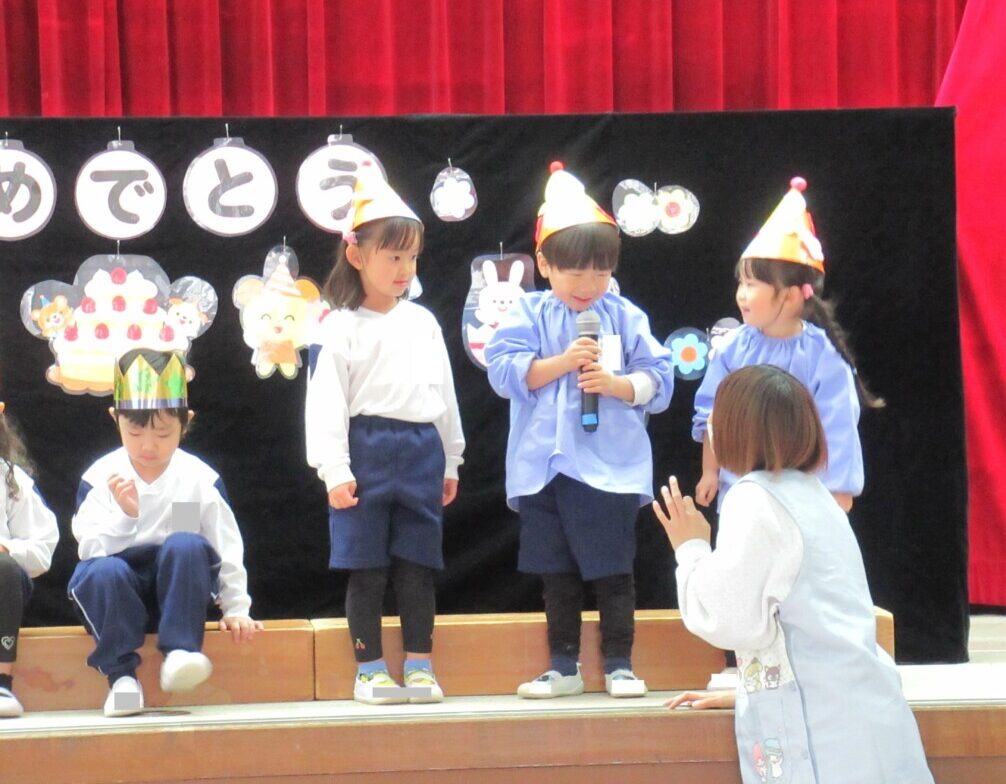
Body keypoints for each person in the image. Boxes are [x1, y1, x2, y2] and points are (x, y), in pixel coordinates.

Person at [654, 364, 933, 783]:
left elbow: (730, 619)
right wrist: (754, 692)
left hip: (830, 735)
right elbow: (812, 623)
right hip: (862, 715)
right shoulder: (814, 493)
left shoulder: (753, 497)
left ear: (737, 428)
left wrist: (690, 547)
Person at [486, 162, 674, 698]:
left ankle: (620, 666)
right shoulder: (527, 313)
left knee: (614, 570)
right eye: (575, 273)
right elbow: (503, 371)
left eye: (600, 272)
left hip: (608, 468)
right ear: (544, 264)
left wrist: (618, 385)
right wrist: (562, 362)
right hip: (544, 469)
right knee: (556, 573)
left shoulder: (625, 315)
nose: (589, 286)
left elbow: (660, 377)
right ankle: (563, 667)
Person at [306, 173, 464, 705]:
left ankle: (419, 664)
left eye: (411, 258)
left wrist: (452, 460)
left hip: (421, 449)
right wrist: (334, 469)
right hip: (365, 450)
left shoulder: (424, 323)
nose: (404, 269)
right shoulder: (338, 326)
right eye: (392, 257)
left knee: (418, 566)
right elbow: (325, 403)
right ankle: (369, 669)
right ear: (356, 256)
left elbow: (444, 393)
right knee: (367, 568)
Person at [69, 349, 262, 718]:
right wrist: (126, 517)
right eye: (135, 431)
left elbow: (225, 545)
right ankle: (122, 679)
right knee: (103, 570)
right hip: (116, 593)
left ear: (185, 422)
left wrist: (237, 607)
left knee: (187, 544)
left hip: (175, 593)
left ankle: (181, 652)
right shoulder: (100, 477)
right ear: (115, 419)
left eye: (162, 432)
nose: (148, 445)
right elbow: (89, 549)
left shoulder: (198, 479)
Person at [693, 177, 883, 513]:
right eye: (741, 283)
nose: (741, 294)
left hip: (802, 504)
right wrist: (711, 471)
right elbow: (713, 415)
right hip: (742, 498)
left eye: (752, 284)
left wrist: (837, 497)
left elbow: (838, 428)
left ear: (793, 296)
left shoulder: (823, 357)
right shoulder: (733, 348)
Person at [0, 403, 59, 718]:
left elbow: (42, 550)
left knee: (5, 568)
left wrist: (6, 549)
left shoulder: (10, 479)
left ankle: (2, 682)